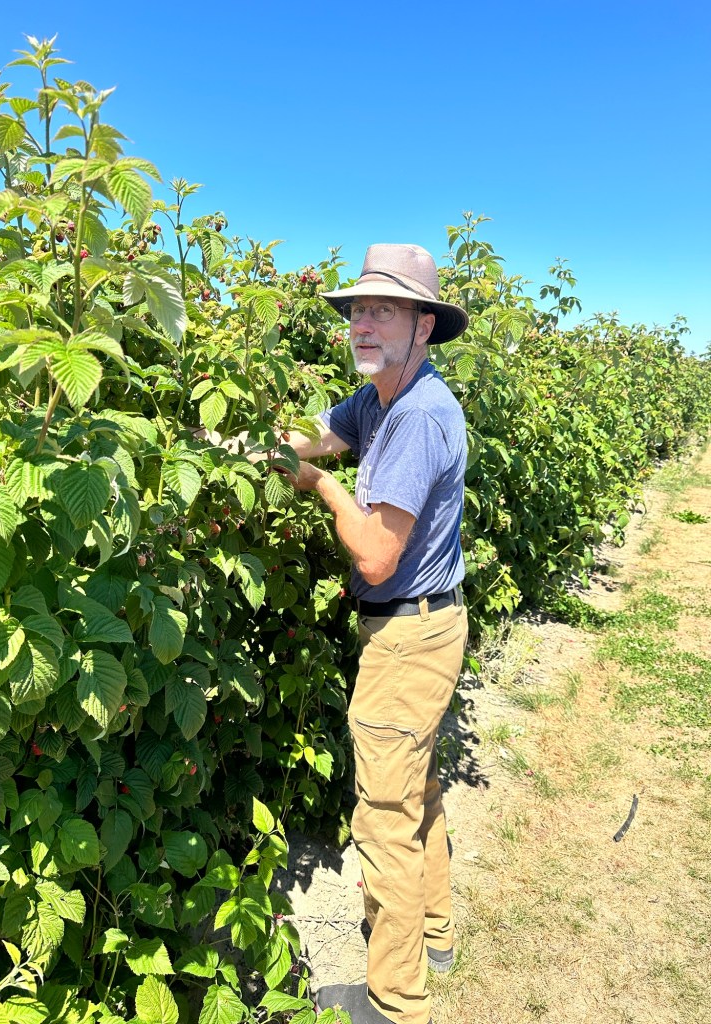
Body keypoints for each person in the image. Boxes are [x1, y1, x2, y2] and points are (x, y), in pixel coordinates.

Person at [280, 244, 470, 1024]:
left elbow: (376, 553)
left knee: (382, 817)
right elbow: (311, 437)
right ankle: (436, 930)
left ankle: (395, 1003)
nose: (362, 322)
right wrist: (230, 444)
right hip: (423, 628)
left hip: (408, 634)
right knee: (417, 788)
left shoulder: (420, 415)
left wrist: (322, 487)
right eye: (357, 309)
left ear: (424, 326)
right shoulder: (380, 399)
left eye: (383, 310)